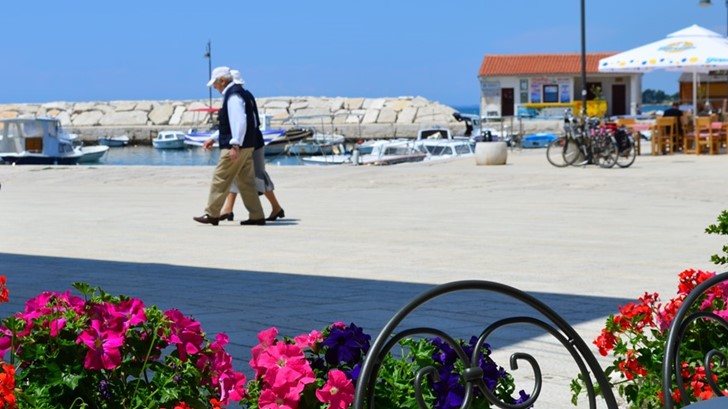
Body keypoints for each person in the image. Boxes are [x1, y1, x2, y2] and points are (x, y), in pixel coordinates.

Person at [192, 66, 266, 226]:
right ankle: (257, 215)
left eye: (215, 83)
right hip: (247, 145)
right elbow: (233, 123)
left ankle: (212, 213)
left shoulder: (233, 96)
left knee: (220, 178)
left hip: (236, 147)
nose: (214, 87)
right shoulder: (240, 93)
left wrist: (235, 145)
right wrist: (214, 138)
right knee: (246, 182)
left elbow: (239, 122)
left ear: (223, 80)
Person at [218, 69, 285, 222]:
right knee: (237, 174)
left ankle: (276, 207)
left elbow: (243, 123)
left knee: (258, 176)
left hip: (250, 142)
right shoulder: (241, 95)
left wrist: (236, 143)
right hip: (248, 141)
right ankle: (228, 208)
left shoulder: (238, 96)